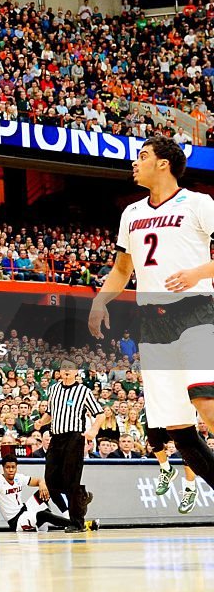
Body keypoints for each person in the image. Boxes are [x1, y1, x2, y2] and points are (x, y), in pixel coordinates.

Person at [89, 136, 214, 502]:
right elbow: (122, 268)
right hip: (152, 321)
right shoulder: (132, 213)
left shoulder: (198, 203)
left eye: (142, 156)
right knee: (177, 426)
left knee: (204, 398)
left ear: (163, 164)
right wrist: (101, 300)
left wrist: (199, 272)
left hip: (195, 309)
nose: (134, 162)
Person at [32, 363, 103, 533]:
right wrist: (42, 421)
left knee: (71, 481)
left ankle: (77, 523)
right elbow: (50, 412)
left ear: (76, 372)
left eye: (70, 368)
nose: (66, 371)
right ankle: (82, 496)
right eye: (63, 367)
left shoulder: (83, 391)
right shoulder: (54, 389)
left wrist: (93, 430)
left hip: (74, 438)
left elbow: (99, 414)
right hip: (56, 438)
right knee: (50, 479)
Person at [0, 455, 74, 534]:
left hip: (25, 509)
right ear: (3, 468)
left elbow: (39, 480)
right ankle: (75, 524)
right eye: (8, 467)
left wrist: (42, 484)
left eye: (13, 467)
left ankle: (66, 514)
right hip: (16, 520)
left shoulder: (19, 477)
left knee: (48, 487)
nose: (10, 470)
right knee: (43, 515)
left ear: (16, 467)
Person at [147, 421, 198, 514]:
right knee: (152, 432)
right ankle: (167, 469)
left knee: (186, 446)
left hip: (183, 412)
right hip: (162, 409)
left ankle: (190, 488)